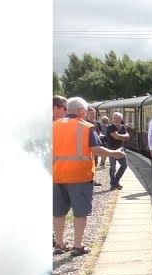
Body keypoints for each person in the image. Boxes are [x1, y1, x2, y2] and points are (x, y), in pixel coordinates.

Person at [53, 96, 126, 255]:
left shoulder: (54, 126)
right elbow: (96, 149)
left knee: (58, 212)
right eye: (85, 110)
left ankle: (59, 244)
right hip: (79, 176)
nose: (86, 113)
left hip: (57, 175)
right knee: (80, 212)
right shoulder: (86, 127)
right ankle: (77, 245)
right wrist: (115, 153)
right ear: (80, 110)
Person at [105, 112, 131, 190]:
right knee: (113, 167)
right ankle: (113, 184)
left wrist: (121, 136)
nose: (116, 120)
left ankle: (115, 181)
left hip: (120, 149)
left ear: (121, 119)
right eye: (115, 118)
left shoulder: (123, 127)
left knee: (124, 166)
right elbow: (116, 136)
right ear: (112, 119)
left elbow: (127, 137)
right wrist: (123, 136)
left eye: (118, 118)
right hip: (112, 149)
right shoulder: (110, 127)